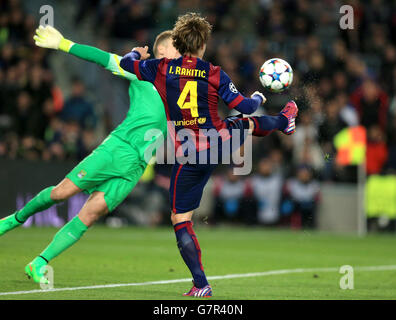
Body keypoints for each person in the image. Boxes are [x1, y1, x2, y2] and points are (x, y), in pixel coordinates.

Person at [120, 12, 298, 297]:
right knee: (244, 122)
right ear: (203, 45)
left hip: (188, 154)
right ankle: (283, 120)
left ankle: (201, 285)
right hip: (218, 145)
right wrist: (257, 98)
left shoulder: (160, 68)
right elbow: (247, 107)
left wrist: (136, 52)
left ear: (177, 42)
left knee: (181, 220)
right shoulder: (214, 73)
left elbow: (127, 64)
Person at [0, 26, 179, 284]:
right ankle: (14, 220)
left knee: (90, 215)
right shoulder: (142, 72)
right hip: (118, 149)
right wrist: (63, 44)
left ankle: (39, 262)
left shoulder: (181, 86)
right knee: (62, 193)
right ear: (161, 50)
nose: (183, 50)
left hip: (136, 167)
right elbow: (102, 58)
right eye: (177, 45)